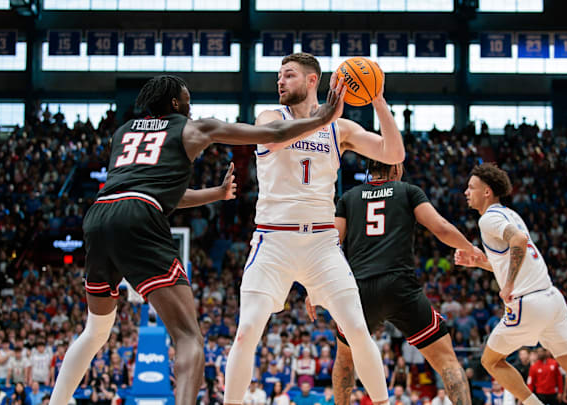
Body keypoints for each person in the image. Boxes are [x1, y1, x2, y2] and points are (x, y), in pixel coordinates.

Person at [48, 74, 346, 405]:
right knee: (189, 336)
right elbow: (272, 133)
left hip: (100, 215)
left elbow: (154, 192)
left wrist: (216, 193)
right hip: (139, 217)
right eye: (187, 99)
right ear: (175, 103)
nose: (191, 106)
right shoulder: (192, 128)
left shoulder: (124, 132)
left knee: (95, 331)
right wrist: (323, 117)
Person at [224, 52, 403, 405]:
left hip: (322, 243)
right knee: (246, 333)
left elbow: (393, 154)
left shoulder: (341, 128)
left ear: (311, 81)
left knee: (356, 329)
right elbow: (274, 138)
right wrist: (323, 118)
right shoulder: (271, 116)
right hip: (274, 241)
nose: (280, 81)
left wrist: (377, 99)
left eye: (288, 75)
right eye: (279, 76)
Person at [305, 159, 482, 405]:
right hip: (400, 286)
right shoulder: (408, 191)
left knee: (345, 359)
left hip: (359, 290)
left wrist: (313, 289)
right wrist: (470, 248)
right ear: (396, 169)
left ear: (369, 169)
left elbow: (329, 245)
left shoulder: (349, 197)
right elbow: (440, 228)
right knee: (447, 361)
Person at [455, 163, 567, 405]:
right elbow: (514, 256)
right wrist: (480, 263)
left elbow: (519, 241)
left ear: (487, 192)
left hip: (528, 303)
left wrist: (509, 285)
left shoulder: (488, 219)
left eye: (471, 187)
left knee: (490, 361)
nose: (466, 192)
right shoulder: (510, 214)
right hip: (552, 299)